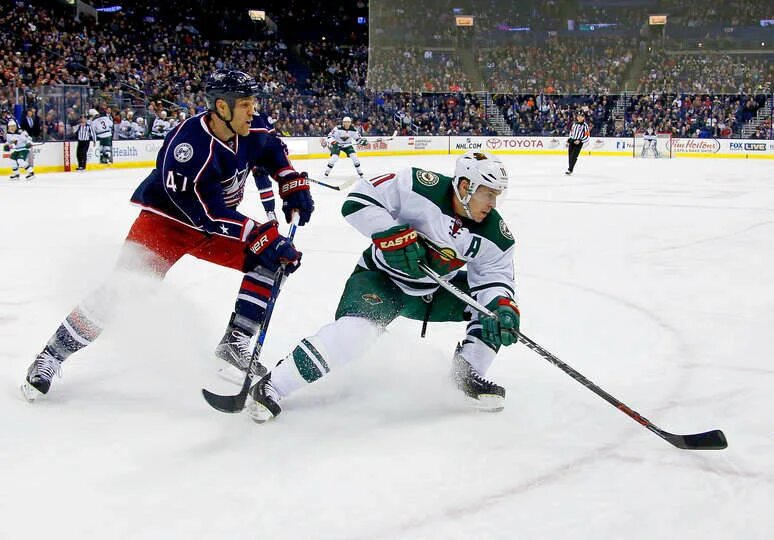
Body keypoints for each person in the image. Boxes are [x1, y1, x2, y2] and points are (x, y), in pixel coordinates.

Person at [21, 69, 315, 401]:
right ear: (221, 106)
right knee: (121, 290)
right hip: (168, 224)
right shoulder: (187, 146)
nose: (253, 111)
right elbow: (207, 214)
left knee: (272, 263)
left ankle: (235, 343)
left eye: (253, 103)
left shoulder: (253, 125)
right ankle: (50, 356)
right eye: (245, 104)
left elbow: (273, 151)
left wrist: (290, 182)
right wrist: (257, 233)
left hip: (217, 224)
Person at [245, 151, 520, 423]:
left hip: (432, 291)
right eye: (488, 193)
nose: (493, 203)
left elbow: (495, 277)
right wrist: (391, 234)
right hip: (381, 279)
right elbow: (357, 201)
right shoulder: (418, 185)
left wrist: (501, 304)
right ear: (464, 186)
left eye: (497, 195)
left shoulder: (495, 234)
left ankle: (465, 375)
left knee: (497, 314)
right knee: (355, 335)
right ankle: (274, 385)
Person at [565, 110, 590, 175]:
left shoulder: (585, 126)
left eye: (580, 116)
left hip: (578, 143)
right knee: (570, 157)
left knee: (574, 156)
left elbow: (587, 136)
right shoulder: (574, 124)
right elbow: (571, 132)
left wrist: (580, 141)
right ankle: (570, 168)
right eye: (578, 116)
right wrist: (569, 139)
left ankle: (570, 170)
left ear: (583, 117)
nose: (579, 118)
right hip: (572, 141)